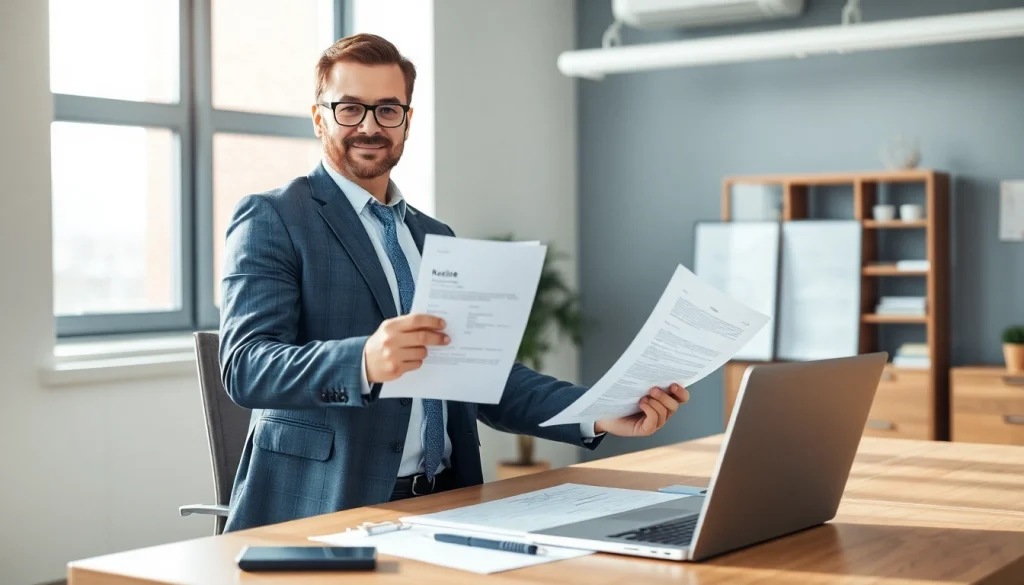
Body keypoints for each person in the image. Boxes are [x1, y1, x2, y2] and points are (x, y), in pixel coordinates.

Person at [218, 33, 690, 533]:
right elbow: (246, 366)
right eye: (350, 109)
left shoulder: (433, 236)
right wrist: (361, 362)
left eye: (387, 110)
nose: (370, 127)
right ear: (319, 118)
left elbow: (480, 376)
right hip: (328, 507)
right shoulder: (274, 217)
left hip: (448, 500)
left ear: (407, 120)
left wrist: (597, 412)